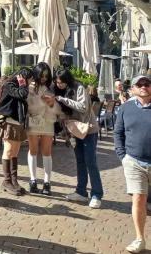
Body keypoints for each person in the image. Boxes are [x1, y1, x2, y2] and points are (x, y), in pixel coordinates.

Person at [54, 68, 103, 209]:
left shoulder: (78, 87)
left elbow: (82, 107)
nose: (59, 85)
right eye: (57, 82)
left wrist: (63, 100)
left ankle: (97, 194)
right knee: (80, 161)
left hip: (88, 129)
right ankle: (81, 191)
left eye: (61, 82)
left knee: (90, 161)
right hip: (75, 130)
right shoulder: (59, 91)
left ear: (67, 80)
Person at [114, 74, 151, 253]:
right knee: (138, 199)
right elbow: (118, 133)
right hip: (134, 161)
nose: (144, 86)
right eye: (140, 84)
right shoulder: (125, 108)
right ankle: (139, 239)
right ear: (133, 89)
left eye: (147, 83)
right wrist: (123, 157)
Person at [0, 67, 33, 195]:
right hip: (9, 122)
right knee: (9, 150)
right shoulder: (9, 85)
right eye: (29, 79)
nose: (30, 82)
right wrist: (23, 84)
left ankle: (14, 181)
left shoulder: (19, 86)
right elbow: (22, 94)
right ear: (23, 77)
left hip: (18, 122)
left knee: (15, 152)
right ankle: (6, 181)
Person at [26, 62, 61, 195]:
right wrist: (40, 102)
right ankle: (33, 180)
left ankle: (47, 183)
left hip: (47, 121)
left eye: (46, 75)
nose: (44, 78)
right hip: (34, 120)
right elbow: (27, 106)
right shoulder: (29, 87)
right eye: (41, 75)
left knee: (47, 152)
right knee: (33, 150)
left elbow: (57, 109)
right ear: (36, 74)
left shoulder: (51, 87)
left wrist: (52, 104)